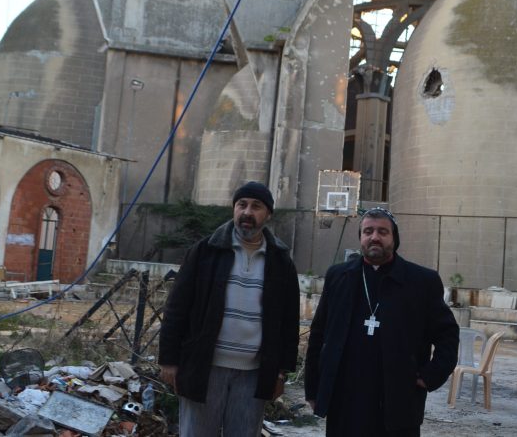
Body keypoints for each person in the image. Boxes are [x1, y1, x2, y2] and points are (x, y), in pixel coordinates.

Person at [158, 181, 300, 437]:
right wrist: (168, 360)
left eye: (256, 206)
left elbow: (289, 320)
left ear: (268, 214)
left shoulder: (280, 261)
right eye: (241, 205)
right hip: (204, 367)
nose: (247, 212)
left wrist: (281, 371)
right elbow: (177, 308)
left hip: (254, 375)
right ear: (233, 209)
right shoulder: (205, 251)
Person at [305, 207, 460, 436]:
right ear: (360, 237)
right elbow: (318, 334)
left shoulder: (422, 281)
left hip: (397, 400)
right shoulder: (339, 276)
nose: (374, 237)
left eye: (382, 232)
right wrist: (313, 388)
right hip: (345, 399)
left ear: (394, 238)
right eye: (368, 231)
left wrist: (429, 377)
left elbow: (448, 335)